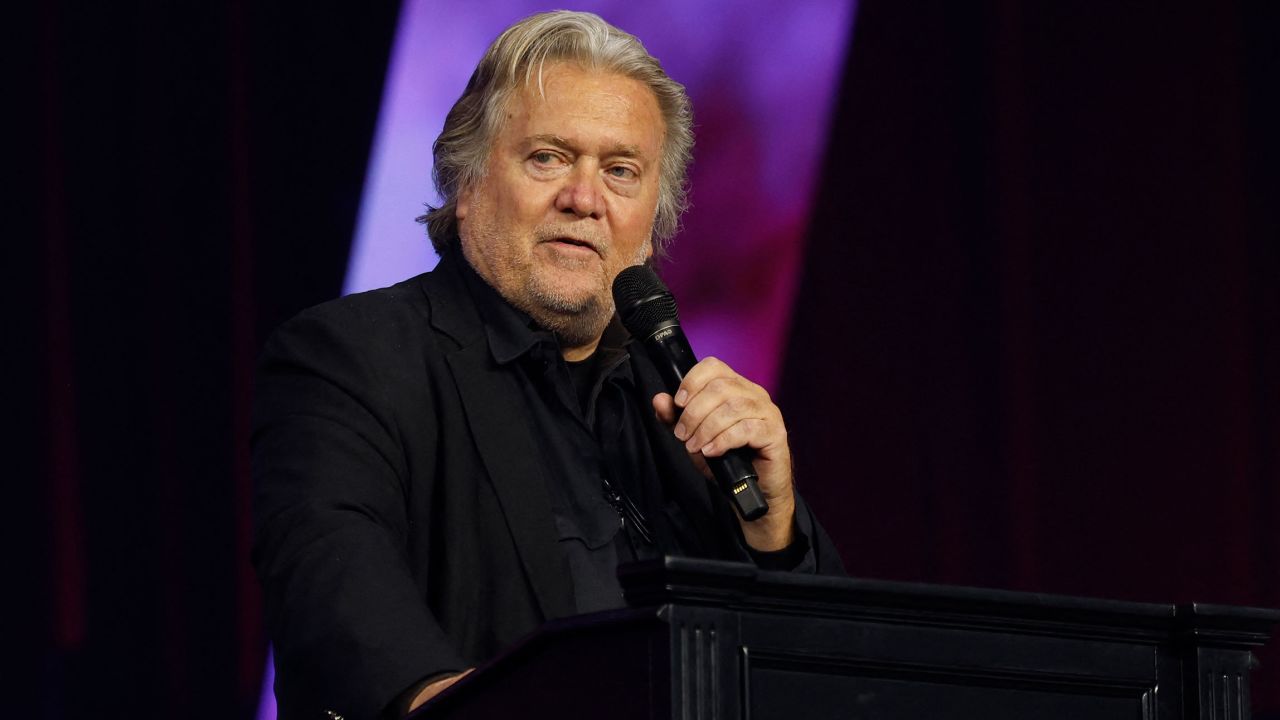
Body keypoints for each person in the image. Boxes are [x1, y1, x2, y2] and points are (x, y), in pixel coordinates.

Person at [252, 10, 844, 720]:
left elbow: (827, 671)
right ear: (466, 184)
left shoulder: (686, 410)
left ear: (654, 221)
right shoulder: (353, 355)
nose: (585, 199)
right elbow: (331, 576)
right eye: (548, 158)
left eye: (621, 171)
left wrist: (773, 530)